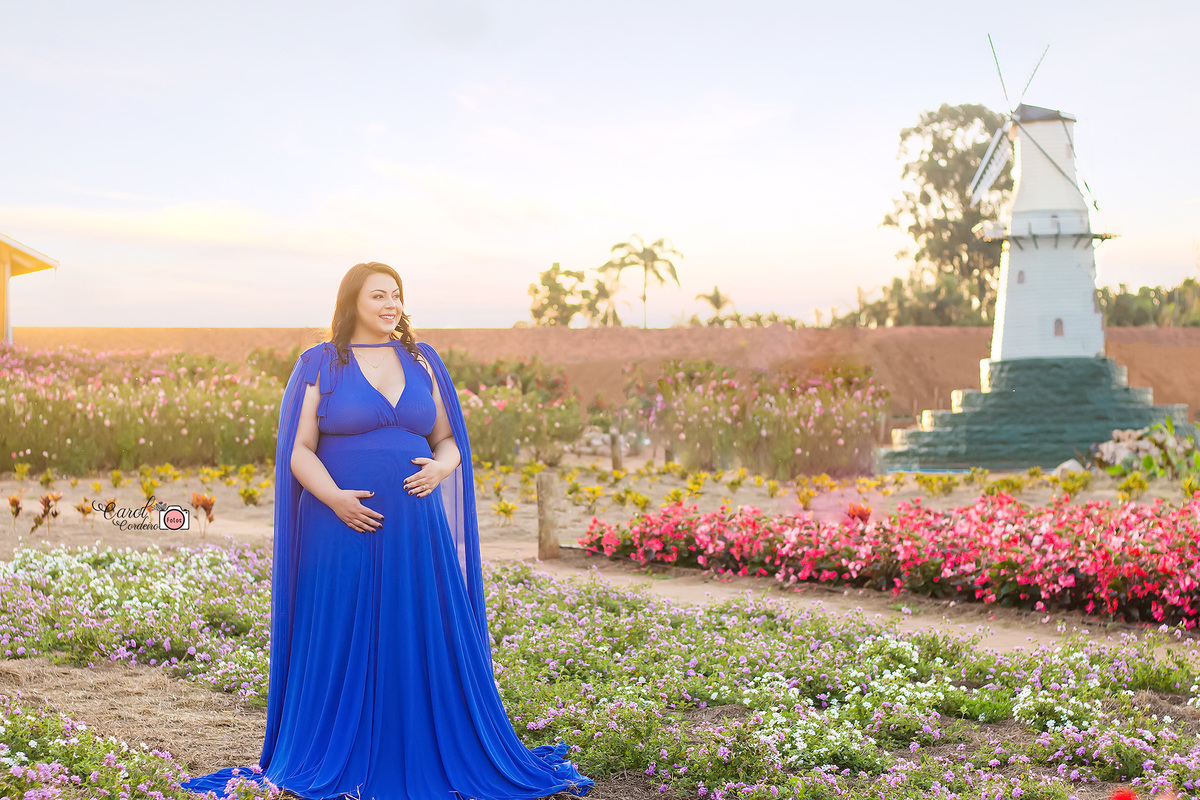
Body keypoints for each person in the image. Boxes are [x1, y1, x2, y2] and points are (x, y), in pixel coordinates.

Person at [181, 262, 593, 800]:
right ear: (352, 301)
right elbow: (298, 451)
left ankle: (422, 745)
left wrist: (440, 469)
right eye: (378, 295)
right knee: (341, 631)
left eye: (396, 295)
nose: (391, 304)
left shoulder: (423, 361)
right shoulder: (320, 363)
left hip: (416, 527)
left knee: (416, 628)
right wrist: (335, 498)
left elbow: (449, 440)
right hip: (339, 525)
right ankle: (336, 749)